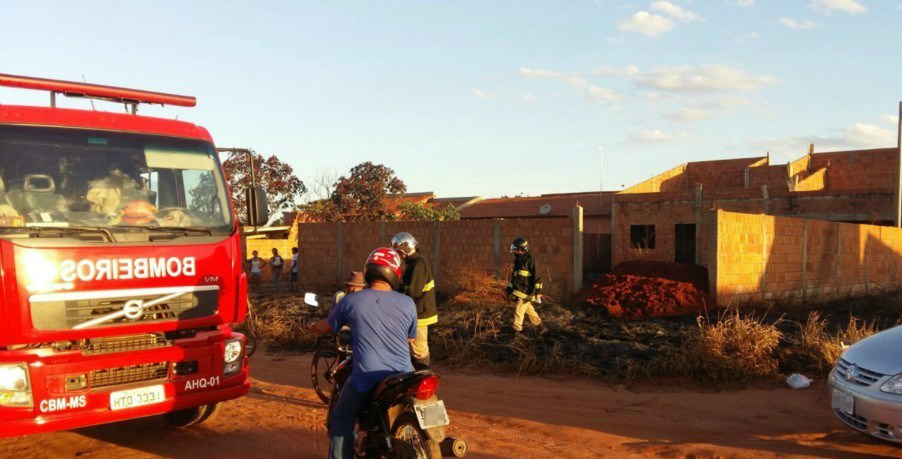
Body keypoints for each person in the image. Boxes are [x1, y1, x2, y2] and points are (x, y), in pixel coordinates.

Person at [308, 248, 417, 459]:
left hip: (368, 376)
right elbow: (410, 338)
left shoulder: (350, 301)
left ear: (368, 272)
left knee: (341, 417)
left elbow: (326, 327)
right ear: (395, 273)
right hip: (403, 375)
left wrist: (311, 326)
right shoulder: (408, 303)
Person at [391, 232, 437, 368]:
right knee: (411, 347)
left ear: (405, 248)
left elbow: (413, 291)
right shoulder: (413, 263)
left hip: (420, 312)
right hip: (415, 311)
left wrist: (395, 297)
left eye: (398, 252)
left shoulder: (418, 264)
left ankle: (424, 378)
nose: (399, 256)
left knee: (419, 350)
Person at [506, 236, 545, 337]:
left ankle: (517, 331)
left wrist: (538, 292)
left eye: (517, 250)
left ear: (522, 249)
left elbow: (537, 276)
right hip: (519, 289)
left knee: (519, 309)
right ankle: (541, 326)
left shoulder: (531, 259)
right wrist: (510, 288)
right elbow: (514, 276)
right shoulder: (517, 261)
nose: (515, 252)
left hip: (528, 290)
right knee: (529, 309)